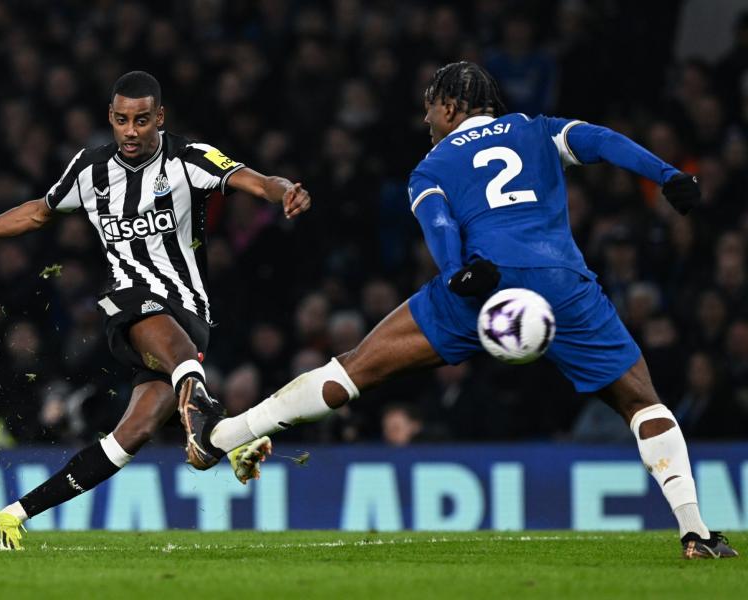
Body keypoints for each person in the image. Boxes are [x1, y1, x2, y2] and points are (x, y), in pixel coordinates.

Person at [180, 62, 738, 559]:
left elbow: (439, 224)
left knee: (353, 368)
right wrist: (668, 175)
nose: (426, 118)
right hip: (562, 284)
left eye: (429, 105)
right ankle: (695, 530)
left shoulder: (432, 166)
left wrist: (457, 272)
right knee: (643, 402)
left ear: (450, 106)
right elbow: (601, 141)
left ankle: (221, 437)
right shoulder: (538, 129)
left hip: (479, 286)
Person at [0, 71, 308, 550]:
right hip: (127, 302)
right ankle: (219, 431)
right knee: (156, 330)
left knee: (131, 435)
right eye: (121, 120)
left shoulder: (189, 158)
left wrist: (285, 190)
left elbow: (258, 180)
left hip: (190, 313)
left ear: (159, 118)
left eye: (142, 120)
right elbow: (39, 211)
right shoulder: (90, 168)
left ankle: (9, 516)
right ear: (110, 118)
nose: (131, 130)